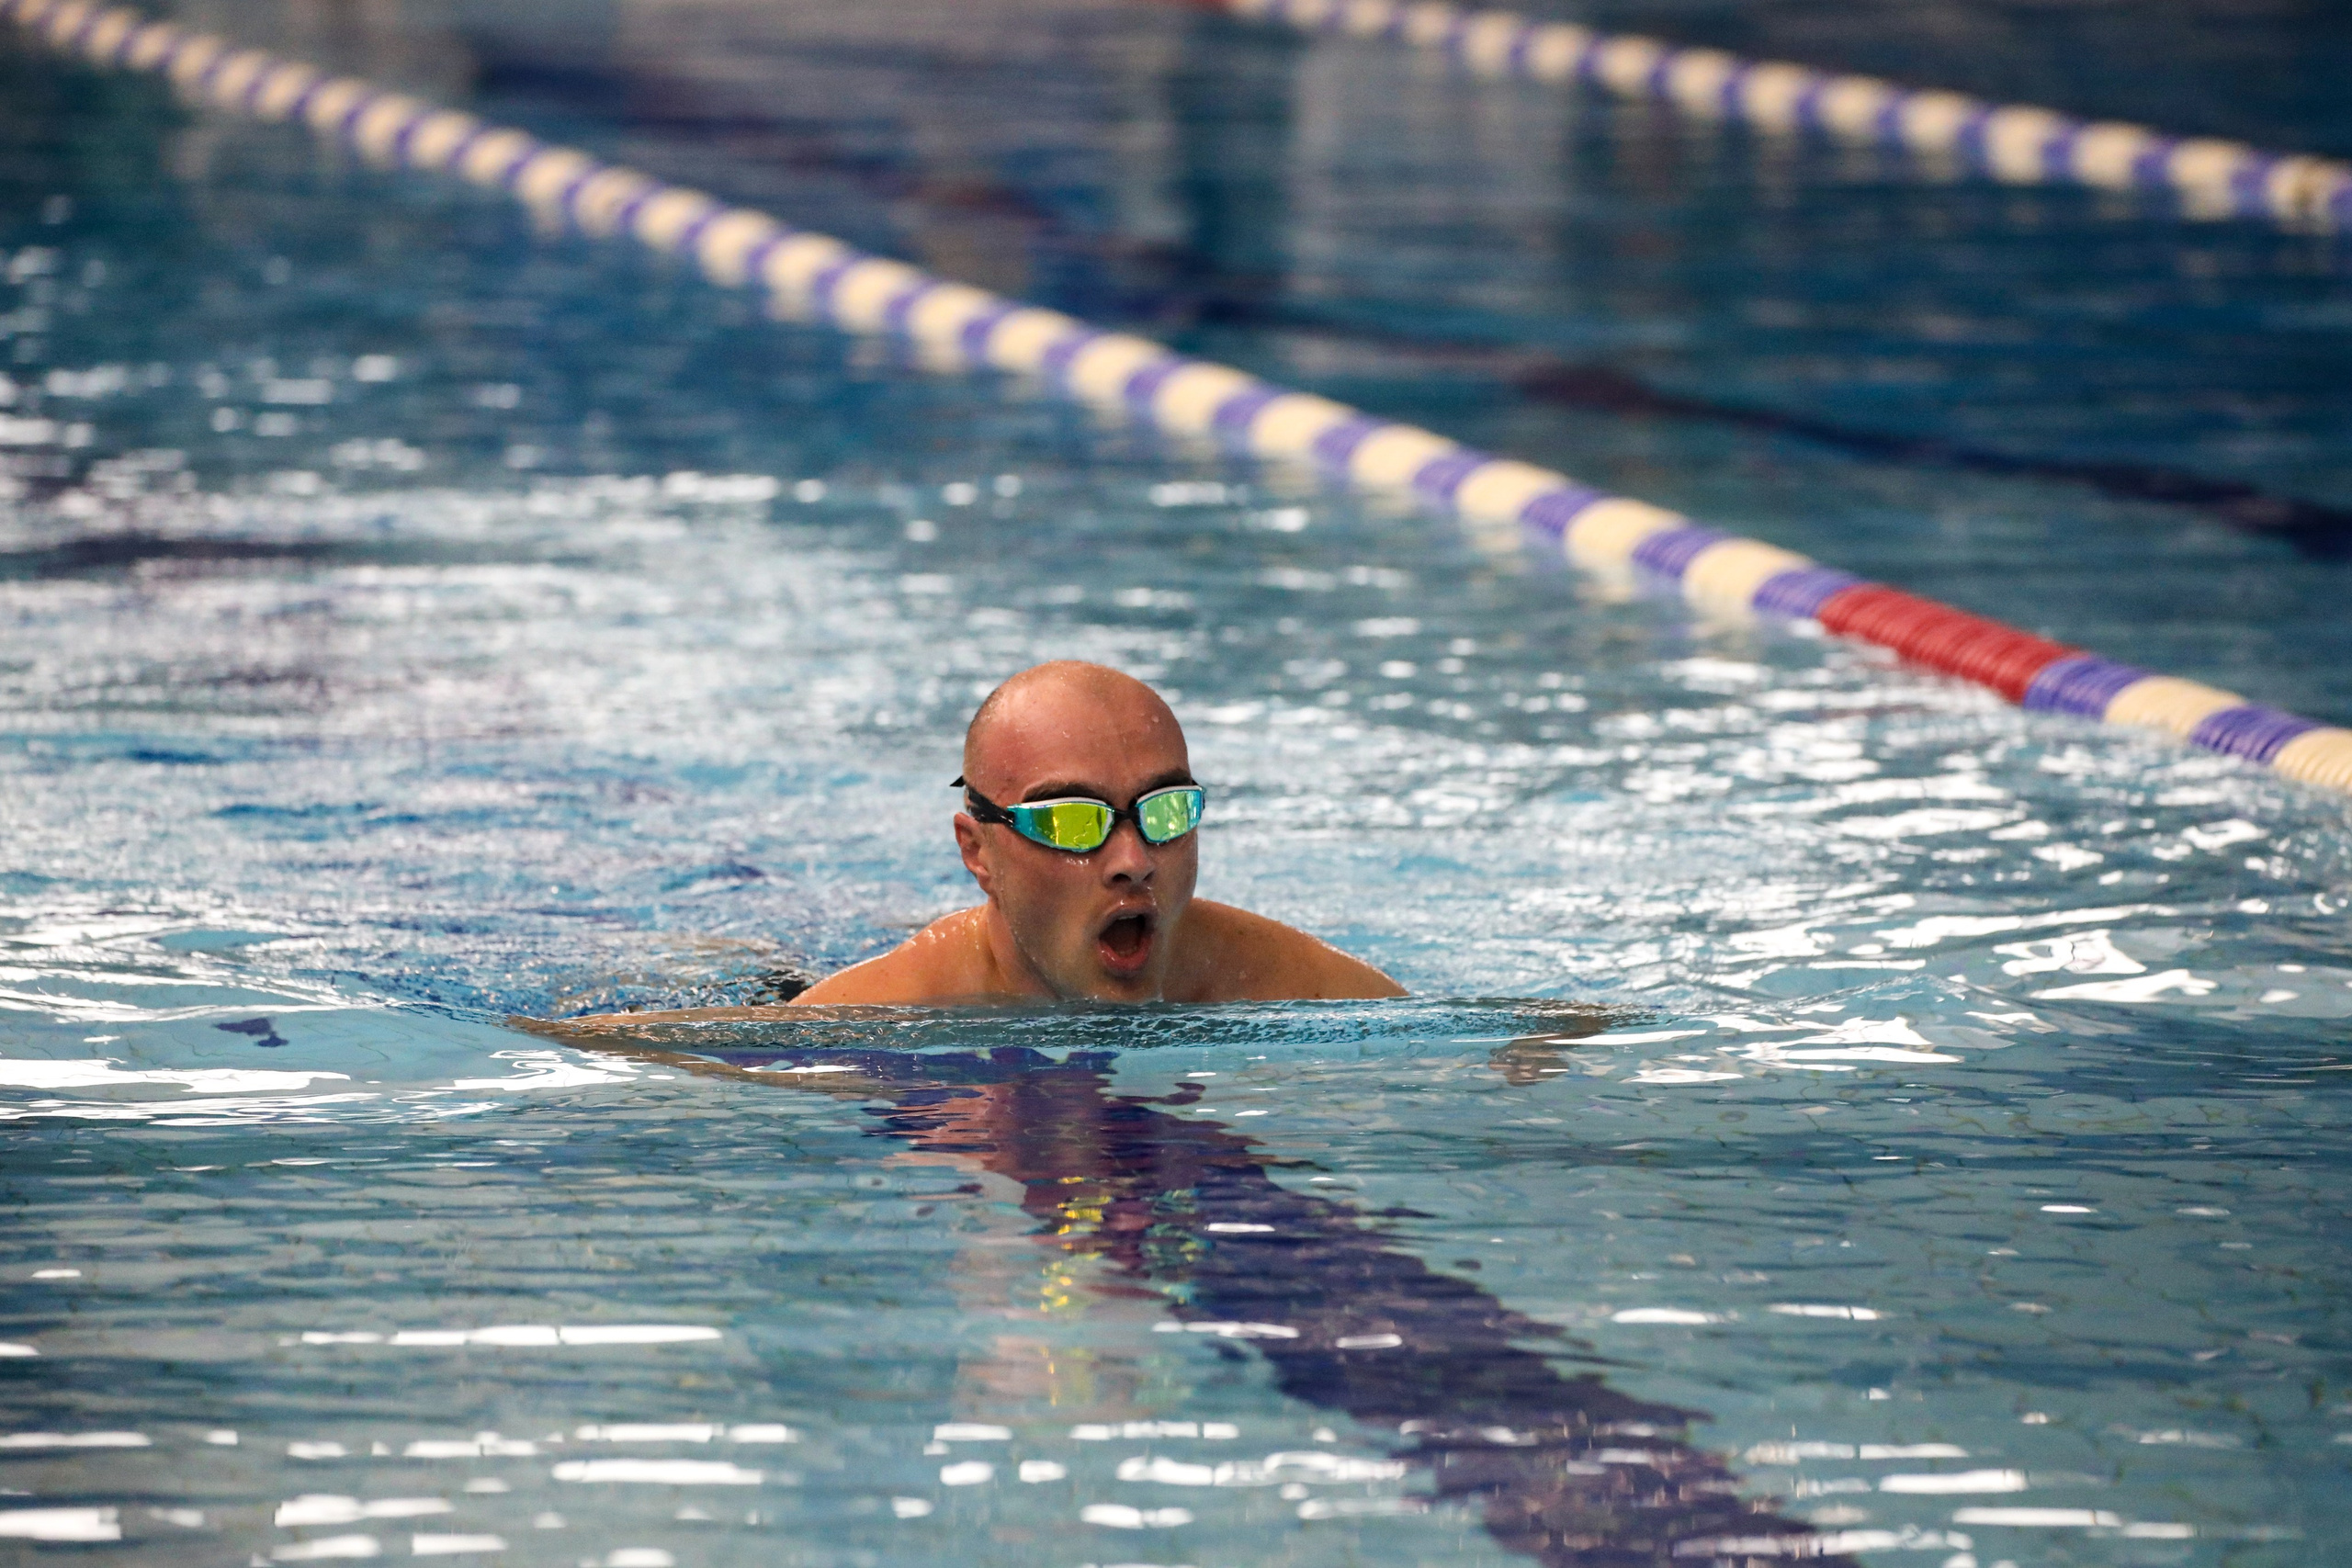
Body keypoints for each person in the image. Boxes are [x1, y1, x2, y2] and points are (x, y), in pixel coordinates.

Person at [791, 660, 1403, 1005]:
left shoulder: (1284, 987)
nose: (1134, 860)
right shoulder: (886, 1009)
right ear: (977, 852)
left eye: (1166, 812)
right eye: (1073, 821)